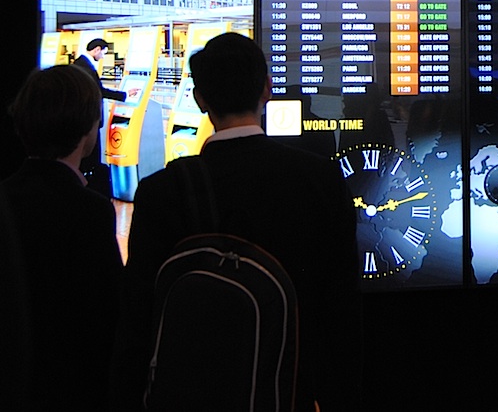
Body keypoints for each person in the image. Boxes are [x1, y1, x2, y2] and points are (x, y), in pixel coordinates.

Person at [109, 32, 359, 412]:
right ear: (267, 89)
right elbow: (340, 313)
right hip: (286, 392)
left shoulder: (162, 191)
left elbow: (138, 320)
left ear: (200, 99)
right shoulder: (319, 180)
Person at [1, 64, 123, 410]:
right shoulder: (90, 211)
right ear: (87, 128)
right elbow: (108, 314)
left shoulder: (6, 197)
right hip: (70, 386)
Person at [73, 37, 127, 193]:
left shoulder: (79, 64)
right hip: (90, 119)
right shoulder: (86, 68)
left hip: (85, 117)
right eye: (103, 53)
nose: (103, 56)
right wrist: (124, 95)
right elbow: (99, 91)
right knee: (91, 158)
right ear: (96, 50)